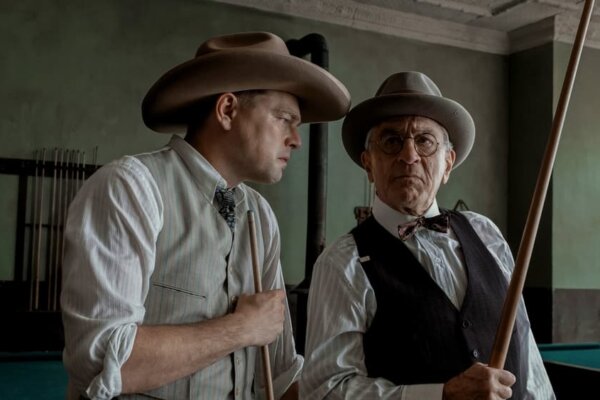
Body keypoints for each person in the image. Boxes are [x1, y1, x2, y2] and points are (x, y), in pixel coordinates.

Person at [60, 31, 350, 400]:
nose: (296, 139)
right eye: (283, 119)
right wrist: (241, 328)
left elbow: (278, 376)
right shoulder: (130, 188)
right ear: (227, 110)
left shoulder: (260, 216)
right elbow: (101, 360)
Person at [300, 71, 555, 399]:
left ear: (447, 163)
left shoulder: (485, 233)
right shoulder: (342, 263)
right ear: (368, 164)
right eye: (391, 141)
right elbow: (325, 391)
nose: (409, 156)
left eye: (424, 141)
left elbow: (528, 358)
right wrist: (440, 395)